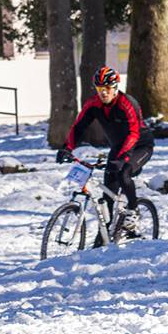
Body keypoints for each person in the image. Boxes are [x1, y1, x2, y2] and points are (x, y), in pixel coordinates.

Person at [56, 66, 154, 230]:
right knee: (108, 194)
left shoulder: (127, 104)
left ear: (115, 87)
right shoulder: (93, 104)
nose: (103, 92)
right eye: (100, 88)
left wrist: (123, 158)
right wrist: (67, 148)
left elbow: (133, 133)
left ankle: (133, 209)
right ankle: (104, 235)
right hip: (118, 147)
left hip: (140, 146)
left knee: (124, 173)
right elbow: (79, 127)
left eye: (107, 88)